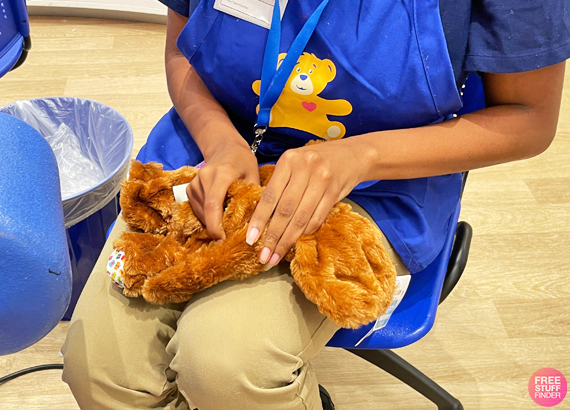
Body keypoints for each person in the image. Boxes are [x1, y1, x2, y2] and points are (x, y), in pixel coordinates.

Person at [61, 0, 570, 409]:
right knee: (98, 369)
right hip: (209, 155)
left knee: (230, 367)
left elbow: (528, 118)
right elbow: (182, 49)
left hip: (379, 179)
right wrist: (220, 140)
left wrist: (361, 156)